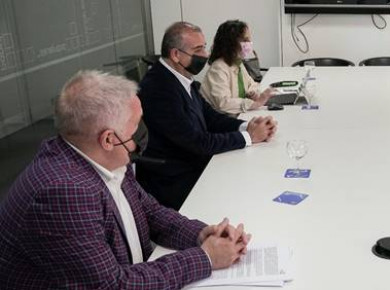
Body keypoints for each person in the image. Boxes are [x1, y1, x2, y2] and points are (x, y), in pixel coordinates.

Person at [0, 70, 251, 289]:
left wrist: (202, 234)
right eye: (136, 127)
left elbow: (150, 211)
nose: (143, 133)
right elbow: (113, 285)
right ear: (108, 139)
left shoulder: (99, 157)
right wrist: (206, 258)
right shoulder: (64, 192)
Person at [137, 22, 277, 210]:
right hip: (177, 180)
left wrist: (247, 125)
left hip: (195, 164)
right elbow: (198, 142)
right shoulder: (159, 88)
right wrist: (250, 137)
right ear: (175, 54)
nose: (205, 54)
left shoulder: (180, 77)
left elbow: (210, 117)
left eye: (204, 47)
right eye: (198, 49)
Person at [200, 20, 274, 116]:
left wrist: (253, 92)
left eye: (249, 40)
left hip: (239, 115)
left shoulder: (237, 63)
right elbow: (223, 103)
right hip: (221, 122)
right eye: (245, 40)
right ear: (231, 43)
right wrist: (254, 104)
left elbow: (251, 84)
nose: (249, 44)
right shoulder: (218, 68)